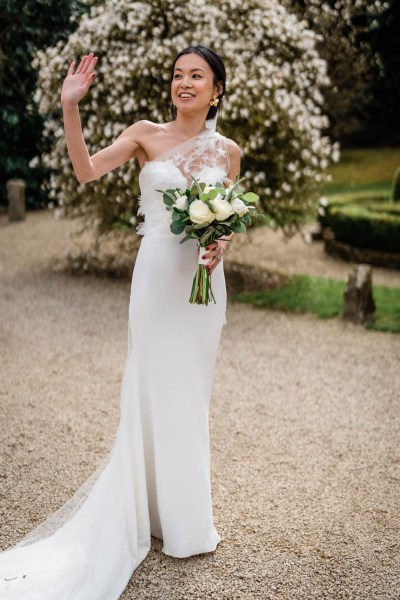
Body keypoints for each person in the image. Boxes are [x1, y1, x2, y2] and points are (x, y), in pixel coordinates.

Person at [0, 45, 241, 599]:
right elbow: (85, 172)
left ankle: (182, 520)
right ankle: (148, 513)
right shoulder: (144, 134)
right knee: (152, 389)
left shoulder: (228, 151)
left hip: (202, 288)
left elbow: (227, 220)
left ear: (216, 90)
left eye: (196, 76)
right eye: (178, 75)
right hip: (156, 280)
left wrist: (221, 244)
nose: (185, 83)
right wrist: (71, 107)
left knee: (190, 395)